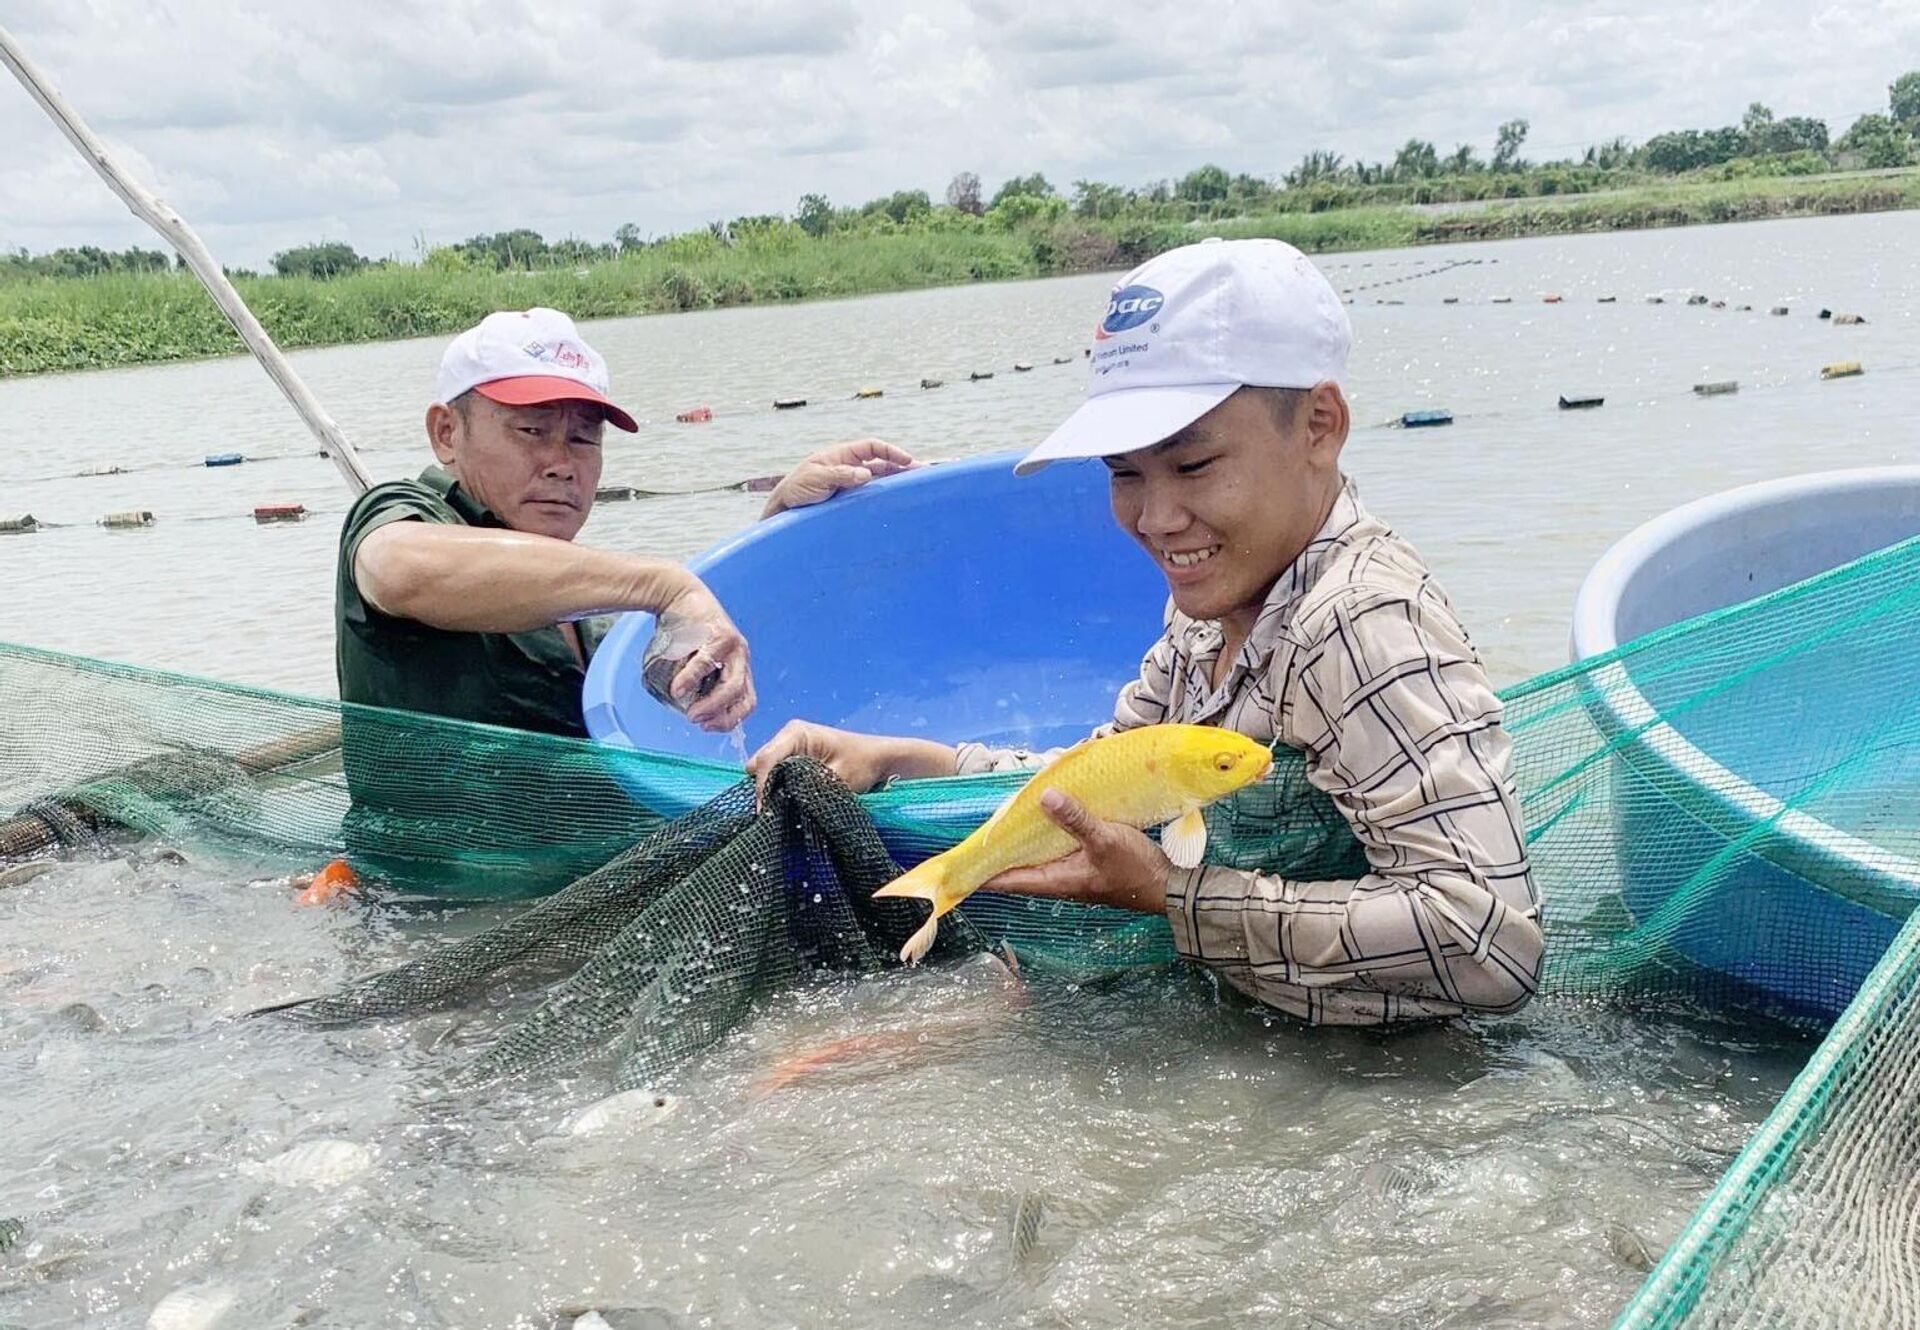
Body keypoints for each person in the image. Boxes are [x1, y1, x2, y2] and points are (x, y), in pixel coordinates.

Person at [748, 239, 1542, 1024]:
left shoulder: (1362, 625)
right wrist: (900, 760)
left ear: (1319, 425)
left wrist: (1173, 894)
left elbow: (1490, 942)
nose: (1156, 519)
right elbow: (1101, 782)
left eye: (1193, 466)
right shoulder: (1210, 613)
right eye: (1124, 473)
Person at [334, 306, 912, 739]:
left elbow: (690, 657)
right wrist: (660, 585)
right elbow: (399, 569)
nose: (562, 463)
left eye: (583, 438)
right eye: (531, 431)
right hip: (435, 892)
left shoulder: (587, 603)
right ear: (446, 433)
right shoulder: (404, 514)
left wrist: (778, 523)